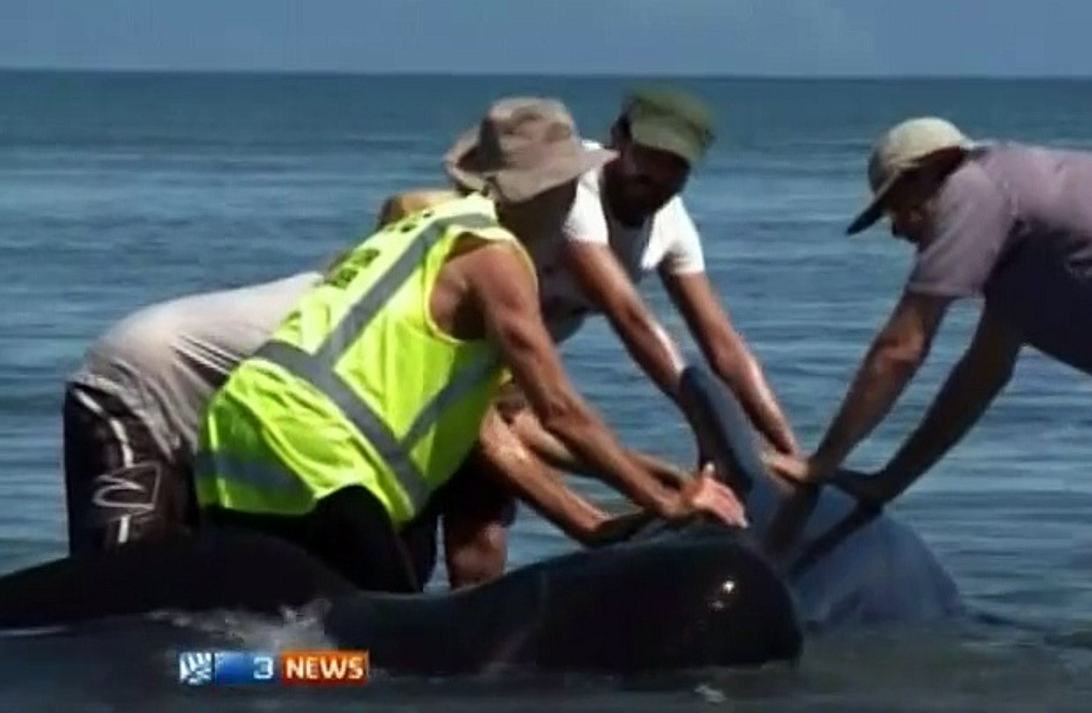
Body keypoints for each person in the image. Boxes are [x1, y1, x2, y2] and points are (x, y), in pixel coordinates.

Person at [193, 97, 748, 593]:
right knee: (382, 655)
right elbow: (558, 410)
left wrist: (606, 509)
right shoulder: (497, 257)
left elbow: (502, 425)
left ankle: (210, 674)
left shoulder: (426, 224)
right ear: (550, 191)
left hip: (237, 434)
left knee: (268, 624)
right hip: (318, 454)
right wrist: (668, 503)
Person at [770, 116, 1092, 645]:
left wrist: (819, 463)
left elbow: (901, 347)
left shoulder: (970, 188)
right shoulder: (1019, 232)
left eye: (894, 210)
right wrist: (888, 481)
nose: (899, 231)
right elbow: (979, 379)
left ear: (922, 178)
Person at [384, 86, 798, 586]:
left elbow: (724, 346)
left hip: (507, 380)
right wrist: (700, 437)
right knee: (410, 539)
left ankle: (468, 646)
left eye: (675, 165)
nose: (658, 177)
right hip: (444, 364)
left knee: (483, 531)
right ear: (618, 138)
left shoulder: (671, 229)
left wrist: (783, 453)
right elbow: (628, 314)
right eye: (649, 156)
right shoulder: (565, 187)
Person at [61, 272, 321, 555]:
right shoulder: (353, 313)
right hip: (129, 392)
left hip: (193, 408)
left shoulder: (350, 289)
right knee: (124, 578)